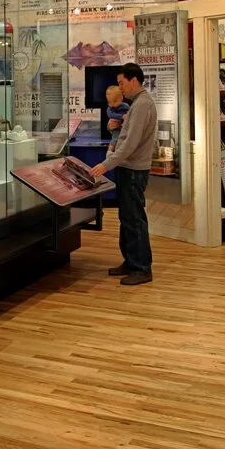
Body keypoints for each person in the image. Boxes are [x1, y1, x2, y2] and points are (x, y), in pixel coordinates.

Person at [90, 63, 157, 286]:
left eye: (121, 83)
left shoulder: (142, 104)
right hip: (127, 168)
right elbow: (123, 134)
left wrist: (106, 164)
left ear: (133, 80)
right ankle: (131, 261)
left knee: (134, 218)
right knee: (126, 217)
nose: (120, 88)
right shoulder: (137, 104)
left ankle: (141, 268)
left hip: (134, 170)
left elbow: (129, 144)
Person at [104, 84, 130, 150]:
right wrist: (122, 116)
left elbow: (131, 114)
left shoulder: (125, 106)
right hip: (116, 128)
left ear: (121, 98)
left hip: (126, 130)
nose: (112, 104)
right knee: (115, 138)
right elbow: (111, 115)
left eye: (115, 101)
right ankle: (109, 151)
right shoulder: (110, 108)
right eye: (109, 102)